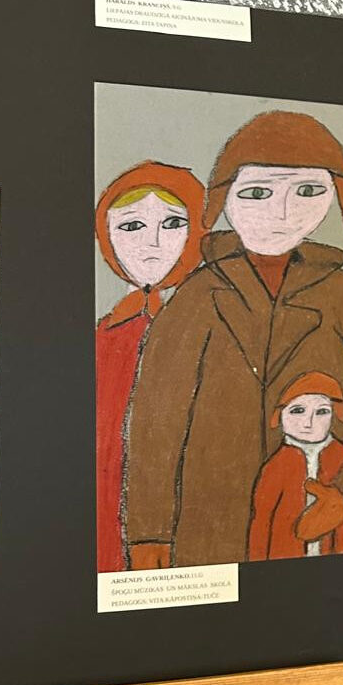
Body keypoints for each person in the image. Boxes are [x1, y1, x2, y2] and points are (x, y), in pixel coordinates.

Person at [124, 110, 343, 570]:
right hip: (208, 528)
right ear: (224, 198)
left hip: (304, 518)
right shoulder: (197, 294)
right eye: (256, 193)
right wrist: (148, 533)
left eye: (308, 191)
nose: (282, 213)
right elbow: (156, 415)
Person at [94, 161, 204, 573]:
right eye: (131, 226)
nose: (152, 243)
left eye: (173, 223)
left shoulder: (208, 328)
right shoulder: (100, 339)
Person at [248, 371, 343, 562]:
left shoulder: (342, 456)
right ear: (280, 415)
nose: (308, 423)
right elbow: (261, 522)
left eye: (322, 412)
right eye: (298, 410)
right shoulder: (276, 464)